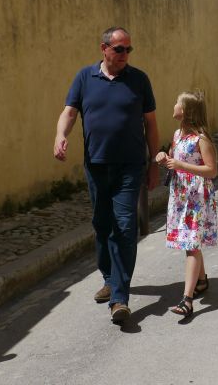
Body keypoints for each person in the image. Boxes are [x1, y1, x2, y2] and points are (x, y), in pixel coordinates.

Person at [53, 26, 159, 325]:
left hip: (130, 166)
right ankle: (110, 277)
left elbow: (151, 123)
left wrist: (153, 162)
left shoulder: (139, 80)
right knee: (102, 225)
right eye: (119, 49)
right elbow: (69, 112)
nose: (125, 54)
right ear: (104, 49)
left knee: (124, 226)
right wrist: (61, 135)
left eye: (128, 49)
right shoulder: (85, 77)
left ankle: (120, 298)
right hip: (96, 165)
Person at [155, 91, 218, 319]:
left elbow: (212, 170)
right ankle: (201, 281)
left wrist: (181, 165)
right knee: (190, 241)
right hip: (181, 195)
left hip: (195, 197)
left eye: (177, 103)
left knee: (191, 244)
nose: (173, 105)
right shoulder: (177, 135)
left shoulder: (201, 138)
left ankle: (187, 299)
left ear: (186, 111)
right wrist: (164, 157)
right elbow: (174, 157)